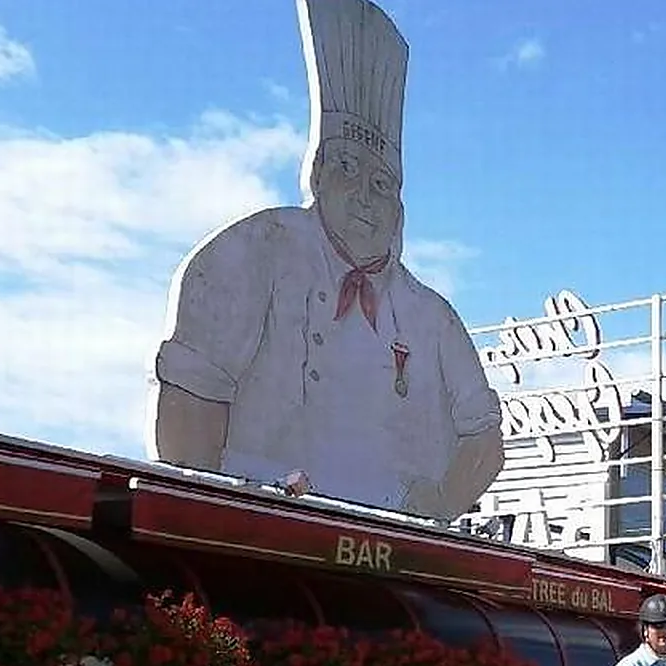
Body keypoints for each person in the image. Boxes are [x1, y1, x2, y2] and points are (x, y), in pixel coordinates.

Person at [150, 0, 505, 521]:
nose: (366, 195)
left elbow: (485, 439)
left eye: (382, 184)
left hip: (395, 541)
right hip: (263, 526)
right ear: (316, 176)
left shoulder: (433, 319)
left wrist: (441, 506)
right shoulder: (256, 251)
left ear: (400, 205)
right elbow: (190, 402)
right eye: (347, 168)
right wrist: (220, 513)